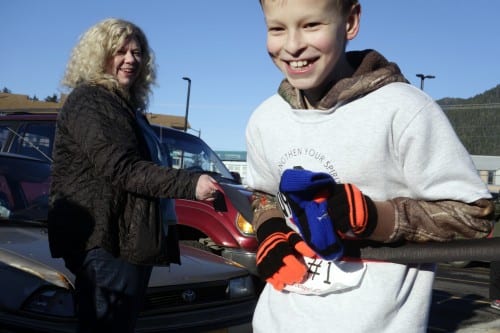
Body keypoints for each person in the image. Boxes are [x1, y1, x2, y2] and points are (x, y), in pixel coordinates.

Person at [245, 1, 495, 332]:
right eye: (277, 28)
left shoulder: (404, 110)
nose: (292, 45)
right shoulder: (265, 118)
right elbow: (262, 194)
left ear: (349, 21)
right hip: (274, 323)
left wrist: (373, 217)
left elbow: (475, 217)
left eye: (311, 25)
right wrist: (270, 231)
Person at [48, 18, 219, 333]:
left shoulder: (122, 106)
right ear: (100, 56)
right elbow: (122, 168)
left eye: (137, 52)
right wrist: (190, 184)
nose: (131, 60)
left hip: (124, 237)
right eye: (120, 51)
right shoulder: (91, 101)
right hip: (103, 240)